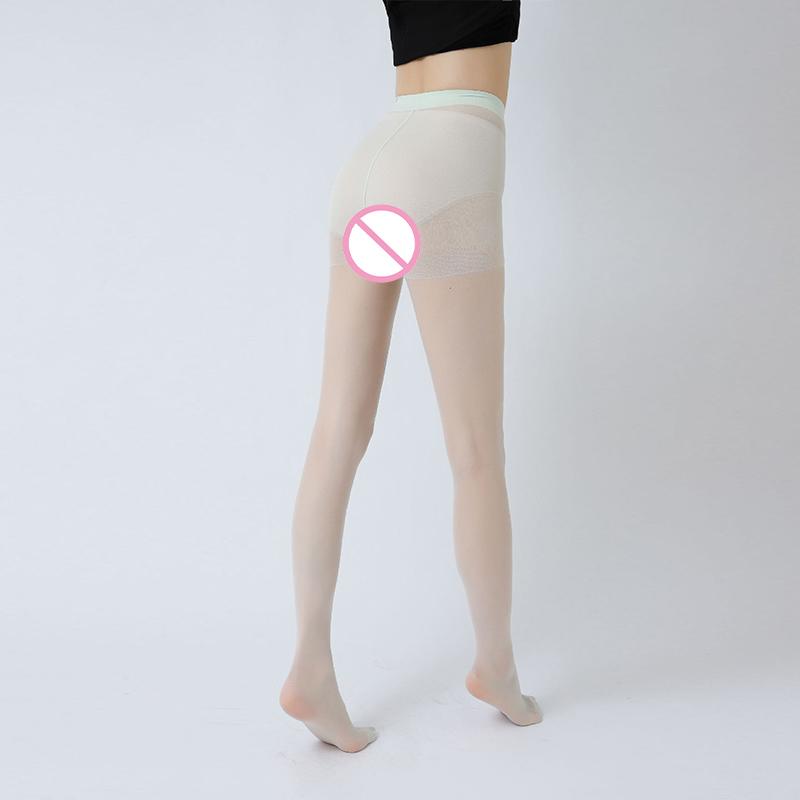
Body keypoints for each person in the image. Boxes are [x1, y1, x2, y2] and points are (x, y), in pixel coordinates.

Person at [279, 0, 542, 753]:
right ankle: (496, 667)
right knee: (476, 449)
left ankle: (310, 664)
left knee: (337, 429)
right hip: (450, 161)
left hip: (372, 164)